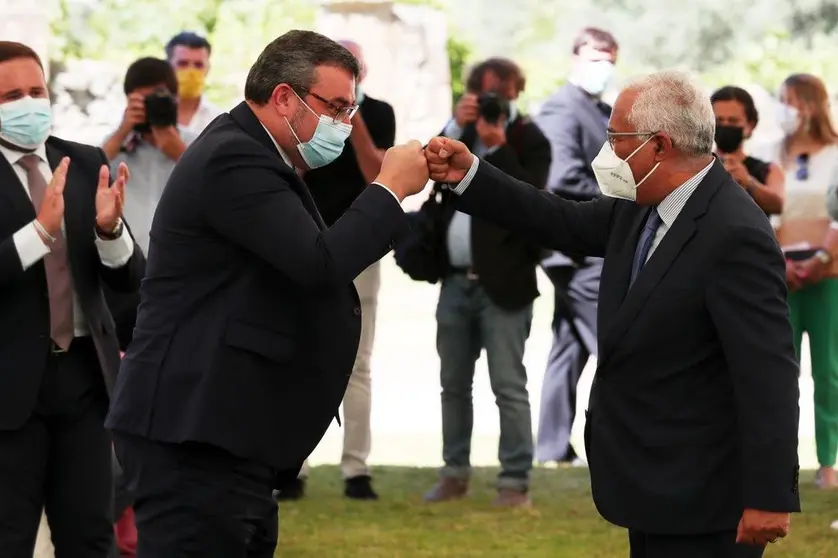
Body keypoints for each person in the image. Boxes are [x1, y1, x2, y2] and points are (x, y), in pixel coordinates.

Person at [425, 69, 800, 558]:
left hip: (706, 498)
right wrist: (471, 175)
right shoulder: (641, 203)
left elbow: (768, 374)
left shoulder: (735, 233)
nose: (608, 153)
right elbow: (558, 218)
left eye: (616, 138)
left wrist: (770, 495)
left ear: (659, 145)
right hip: (650, 485)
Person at [105, 30, 429, 557]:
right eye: (337, 108)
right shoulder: (235, 158)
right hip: (192, 431)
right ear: (283, 96)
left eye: (352, 110)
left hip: (227, 431)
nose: (344, 125)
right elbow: (319, 264)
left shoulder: (259, 154)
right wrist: (388, 190)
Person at [0, 41, 143, 557]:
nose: (28, 103)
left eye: (35, 90)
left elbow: (130, 279)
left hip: (84, 381)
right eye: (12, 95)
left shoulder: (83, 162)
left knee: (89, 534)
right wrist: (39, 233)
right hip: (10, 389)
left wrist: (109, 231)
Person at [421, 57, 550, 507]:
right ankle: (454, 472)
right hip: (455, 282)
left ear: (517, 91)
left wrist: (497, 148)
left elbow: (533, 199)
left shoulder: (528, 138)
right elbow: (429, 164)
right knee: (453, 383)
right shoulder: (464, 130)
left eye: (502, 92)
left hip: (506, 284)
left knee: (508, 384)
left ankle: (515, 481)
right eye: (485, 94)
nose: (495, 101)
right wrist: (457, 124)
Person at [282, 39, 397, 501]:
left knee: (358, 363)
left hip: (359, 249)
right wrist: (323, 121)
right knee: (295, 353)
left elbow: (378, 174)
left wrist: (356, 120)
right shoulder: (310, 116)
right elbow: (293, 170)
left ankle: (356, 468)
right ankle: (292, 465)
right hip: (305, 240)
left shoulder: (380, 113)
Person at [533, 27, 618, 466]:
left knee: (568, 345)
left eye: (611, 57)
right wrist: (623, 198)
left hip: (586, 250)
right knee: (616, 344)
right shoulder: (560, 108)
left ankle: (550, 447)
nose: (604, 64)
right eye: (596, 55)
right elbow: (562, 178)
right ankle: (622, 441)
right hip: (577, 249)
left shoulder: (602, 110)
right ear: (575, 55)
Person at [763, 73, 838, 489]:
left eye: (789, 100)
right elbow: (766, 210)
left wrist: (825, 256)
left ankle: (828, 461)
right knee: (779, 372)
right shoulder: (771, 154)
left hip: (828, 275)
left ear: (810, 104)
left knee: (827, 371)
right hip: (781, 275)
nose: (785, 108)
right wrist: (782, 263)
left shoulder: (835, 152)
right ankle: (779, 461)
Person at [710, 86, 784, 215]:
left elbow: (779, 205)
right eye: (719, 120)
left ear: (750, 125)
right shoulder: (697, 166)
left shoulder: (768, 170)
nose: (725, 125)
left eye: (733, 121)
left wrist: (749, 183)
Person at [165, 31, 224, 134]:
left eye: (198, 65)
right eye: (182, 64)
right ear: (168, 67)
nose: (191, 72)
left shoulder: (219, 121)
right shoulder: (145, 115)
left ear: (208, 69)